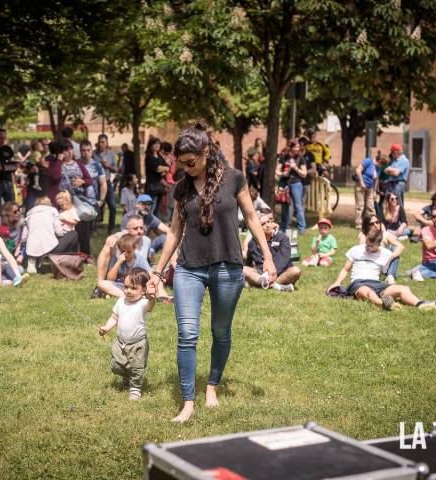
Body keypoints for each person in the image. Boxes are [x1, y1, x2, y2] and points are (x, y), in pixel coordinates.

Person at [147, 122, 276, 423]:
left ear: (206, 153)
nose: (186, 168)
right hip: (189, 268)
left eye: (190, 163)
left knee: (220, 331)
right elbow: (175, 231)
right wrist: (157, 270)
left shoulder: (234, 179)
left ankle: (212, 387)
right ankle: (188, 402)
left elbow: (253, 219)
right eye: (181, 164)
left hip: (227, 266)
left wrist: (267, 258)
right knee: (187, 334)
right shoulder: (181, 187)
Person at [329, 227, 436, 311]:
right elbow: (345, 269)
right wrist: (337, 283)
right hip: (358, 282)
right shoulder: (357, 250)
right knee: (368, 291)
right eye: (366, 244)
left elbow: (399, 249)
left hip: (376, 283)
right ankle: (384, 304)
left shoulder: (385, 254)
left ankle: (421, 304)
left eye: (371, 246)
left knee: (403, 288)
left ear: (379, 244)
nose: (367, 248)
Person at [98, 268, 156, 401]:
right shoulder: (121, 301)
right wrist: (107, 328)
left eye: (134, 288)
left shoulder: (143, 304)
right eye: (126, 287)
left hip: (138, 344)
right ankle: (126, 375)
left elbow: (151, 305)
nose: (128, 291)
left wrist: (152, 297)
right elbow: (114, 317)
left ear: (143, 290)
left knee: (136, 368)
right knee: (116, 366)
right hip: (120, 342)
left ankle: (135, 388)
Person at [243, 211, 301, 290]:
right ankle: (277, 286)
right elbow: (249, 263)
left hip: (281, 273)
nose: (267, 225)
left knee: (296, 270)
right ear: (258, 228)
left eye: (269, 222)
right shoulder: (252, 243)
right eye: (263, 224)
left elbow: (283, 260)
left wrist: (270, 276)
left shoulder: (283, 239)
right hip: (261, 274)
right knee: (244, 270)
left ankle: (265, 284)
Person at [21, 196, 78, 270]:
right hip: (51, 248)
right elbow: (59, 233)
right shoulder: (53, 211)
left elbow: (24, 238)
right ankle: (67, 261)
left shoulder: (28, 216)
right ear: (49, 203)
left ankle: (34, 259)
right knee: (73, 233)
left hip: (32, 249)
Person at [58, 140, 94, 254]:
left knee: (83, 229)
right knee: (67, 229)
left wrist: (82, 181)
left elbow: (90, 180)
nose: (69, 152)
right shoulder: (58, 164)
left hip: (78, 200)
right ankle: (69, 254)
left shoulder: (78, 163)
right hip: (64, 201)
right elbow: (53, 178)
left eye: (71, 149)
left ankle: (85, 254)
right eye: (66, 150)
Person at [358, 214, 405, 285]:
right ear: (366, 225)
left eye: (377, 222)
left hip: (384, 262)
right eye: (372, 223)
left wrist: (390, 257)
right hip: (371, 263)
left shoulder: (385, 235)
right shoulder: (364, 235)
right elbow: (361, 250)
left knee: (395, 251)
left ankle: (390, 276)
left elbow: (401, 246)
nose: (375, 225)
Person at [275, 140, 308, 234]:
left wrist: (295, 168)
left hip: (296, 184)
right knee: (284, 206)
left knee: (298, 206)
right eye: (296, 147)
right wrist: (282, 173)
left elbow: (304, 174)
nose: (298, 149)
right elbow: (277, 171)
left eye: (298, 147)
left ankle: (302, 228)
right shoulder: (283, 157)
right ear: (291, 147)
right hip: (284, 184)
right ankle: (284, 227)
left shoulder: (300, 158)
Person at [79, 140, 108, 233]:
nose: (86, 153)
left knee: (90, 229)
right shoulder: (76, 164)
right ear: (80, 151)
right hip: (78, 201)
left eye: (88, 150)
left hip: (93, 201)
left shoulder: (97, 165)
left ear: (92, 151)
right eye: (83, 150)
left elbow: (103, 184)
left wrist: (102, 200)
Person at [93, 134, 118, 234]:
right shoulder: (93, 154)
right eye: (99, 142)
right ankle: (93, 229)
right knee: (95, 206)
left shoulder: (111, 154)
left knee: (113, 206)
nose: (101, 144)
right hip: (95, 183)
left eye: (103, 142)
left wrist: (108, 166)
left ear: (107, 143)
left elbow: (115, 169)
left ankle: (111, 229)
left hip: (107, 183)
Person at [354, 153, 383, 229]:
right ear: (379, 161)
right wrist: (362, 182)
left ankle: (371, 222)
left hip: (370, 188)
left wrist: (374, 191)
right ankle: (358, 224)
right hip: (360, 186)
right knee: (360, 206)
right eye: (382, 164)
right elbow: (358, 170)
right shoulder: (369, 161)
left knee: (370, 206)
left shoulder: (378, 167)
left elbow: (376, 179)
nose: (382, 166)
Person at [144, 137, 169, 217]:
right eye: (155, 143)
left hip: (159, 187)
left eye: (158, 143)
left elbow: (168, 167)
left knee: (157, 210)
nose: (157, 145)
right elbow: (158, 169)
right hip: (152, 187)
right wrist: (163, 169)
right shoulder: (149, 156)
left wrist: (163, 168)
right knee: (151, 208)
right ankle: (147, 227)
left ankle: (155, 228)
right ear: (150, 145)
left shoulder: (159, 156)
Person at [383, 144, 410, 209]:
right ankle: (389, 218)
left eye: (391, 152)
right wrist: (390, 170)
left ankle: (400, 218)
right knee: (388, 202)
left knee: (397, 203)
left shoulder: (404, 160)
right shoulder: (395, 161)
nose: (391, 154)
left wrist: (390, 170)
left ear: (395, 152)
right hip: (391, 183)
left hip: (398, 184)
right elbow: (385, 171)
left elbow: (396, 173)